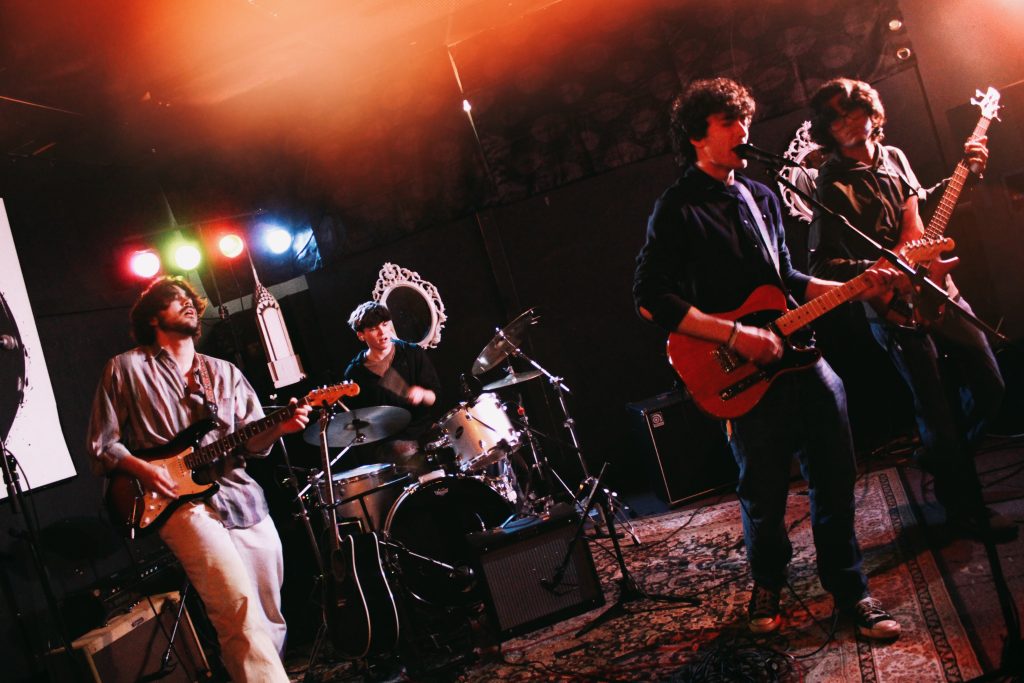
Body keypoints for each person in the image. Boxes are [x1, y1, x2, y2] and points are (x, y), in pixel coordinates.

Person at [633, 77, 901, 639]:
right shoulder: (676, 208)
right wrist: (736, 335)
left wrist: (857, 287)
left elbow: (787, 280)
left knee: (835, 478)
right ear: (697, 137)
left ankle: (851, 589)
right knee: (764, 493)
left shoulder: (762, 194)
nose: (743, 131)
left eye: (746, 120)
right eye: (728, 122)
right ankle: (769, 585)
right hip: (744, 372)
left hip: (802, 359)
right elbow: (651, 298)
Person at [807, 78, 1014, 542]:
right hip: (893, 308)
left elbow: (920, 218)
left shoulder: (895, 156)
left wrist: (965, 173)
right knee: (936, 411)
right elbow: (821, 265)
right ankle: (963, 506)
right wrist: (882, 271)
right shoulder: (830, 184)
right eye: (835, 116)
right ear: (825, 128)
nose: (847, 121)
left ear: (871, 112)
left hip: (940, 287)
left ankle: (941, 459)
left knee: (991, 386)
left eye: (854, 109)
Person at [87, 276, 311, 683]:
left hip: (240, 495)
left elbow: (252, 443)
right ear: (153, 317)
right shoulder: (126, 368)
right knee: (237, 609)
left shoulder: (224, 372)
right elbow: (103, 444)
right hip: (180, 505)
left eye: (191, 299)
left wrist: (280, 427)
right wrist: (147, 470)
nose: (189, 303)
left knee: (268, 611)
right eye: (176, 300)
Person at [343, 301, 442, 473]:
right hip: (390, 442)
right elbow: (360, 424)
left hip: (423, 430)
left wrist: (422, 394)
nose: (382, 332)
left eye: (384, 324)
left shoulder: (412, 353)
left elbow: (435, 397)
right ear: (361, 335)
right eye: (373, 329)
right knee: (403, 452)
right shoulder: (355, 373)